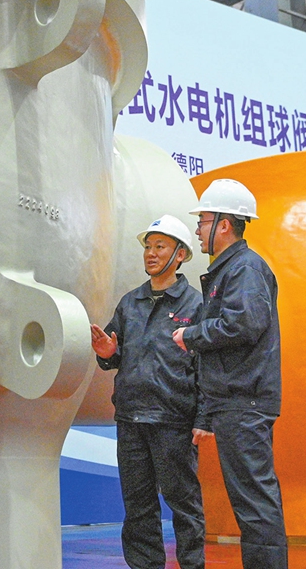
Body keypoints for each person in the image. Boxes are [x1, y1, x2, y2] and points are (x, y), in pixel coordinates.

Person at [172, 178, 287, 569]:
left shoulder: (245, 269)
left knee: (255, 503)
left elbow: (245, 324)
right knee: (252, 501)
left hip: (244, 402)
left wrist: (192, 334)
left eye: (203, 221)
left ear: (224, 224)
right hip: (236, 401)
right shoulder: (231, 270)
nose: (197, 229)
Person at [90, 215, 205, 569]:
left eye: (160, 247)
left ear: (181, 254)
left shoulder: (196, 306)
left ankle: (192, 564)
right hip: (130, 420)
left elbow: (207, 370)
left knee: (184, 503)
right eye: (148, 247)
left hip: (174, 421)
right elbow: (113, 355)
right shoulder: (130, 303)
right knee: (138, 505)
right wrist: (107, 353)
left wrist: (203, 418)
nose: (151, 254)